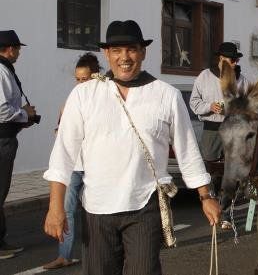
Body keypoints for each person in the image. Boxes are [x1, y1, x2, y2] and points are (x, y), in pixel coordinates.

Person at [43, 20, 221, 274]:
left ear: (143, 52)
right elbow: (62, 155)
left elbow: (187, 151)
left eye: (131, 49)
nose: (124, 57)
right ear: (107, 54)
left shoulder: (165, 95)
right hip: (97, 209)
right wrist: (55, 207)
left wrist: (205, 196)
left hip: (144, 207)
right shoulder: (84, 95)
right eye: (116, 50)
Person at [42, 53, 101, 269]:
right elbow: (63, 135)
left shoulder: (107, 100)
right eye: (77, 79)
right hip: (74, 166)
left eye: (84, 79)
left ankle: (100, 255)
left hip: (96, 167)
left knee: (95, 213)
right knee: (66, 211)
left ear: (96, 77)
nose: (80, 84)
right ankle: (64, 255)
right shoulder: (70, 102)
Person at [0, 30, 36, 260]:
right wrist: (24, 113)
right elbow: (2, 110)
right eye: (18, 48)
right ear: (10, 49)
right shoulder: (1, 72)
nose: (19, 53)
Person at [190, 42, 249, 163]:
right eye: (232, 60)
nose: (235, 63)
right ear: (221, 58)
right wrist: (209, 106)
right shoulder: (205, 76)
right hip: (211, 131)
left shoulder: (242, 81)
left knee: (234, 169)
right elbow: (194, 102)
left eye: (236, 60)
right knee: (210, 166)